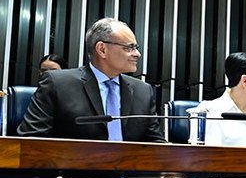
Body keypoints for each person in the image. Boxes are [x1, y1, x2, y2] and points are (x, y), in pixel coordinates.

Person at [18, 18, 165, 142]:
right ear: (102, 49)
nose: (137, 54)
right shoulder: (57, 84)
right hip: (73, 175)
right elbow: (32, 139)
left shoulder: (143, 91)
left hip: (132, 176)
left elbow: (156, 145)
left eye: (136, 47)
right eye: (129, 48)